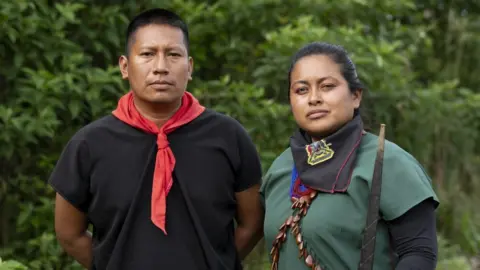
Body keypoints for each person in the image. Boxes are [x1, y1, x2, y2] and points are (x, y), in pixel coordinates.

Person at [49, 8, 264, 270]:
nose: (161, 67)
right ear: (125, 67)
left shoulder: (228, 137)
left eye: (173, 55)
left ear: (190, 67)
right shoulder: (89, 145)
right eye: (148, 54)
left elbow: (252, 224)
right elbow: (69, 234)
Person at [260, 42, 439, 270]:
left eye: (327, 86)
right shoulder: (281, 166)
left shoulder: (388, 162)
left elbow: (419, 252)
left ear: (355, 96)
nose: (314, 98)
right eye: (301, 90)